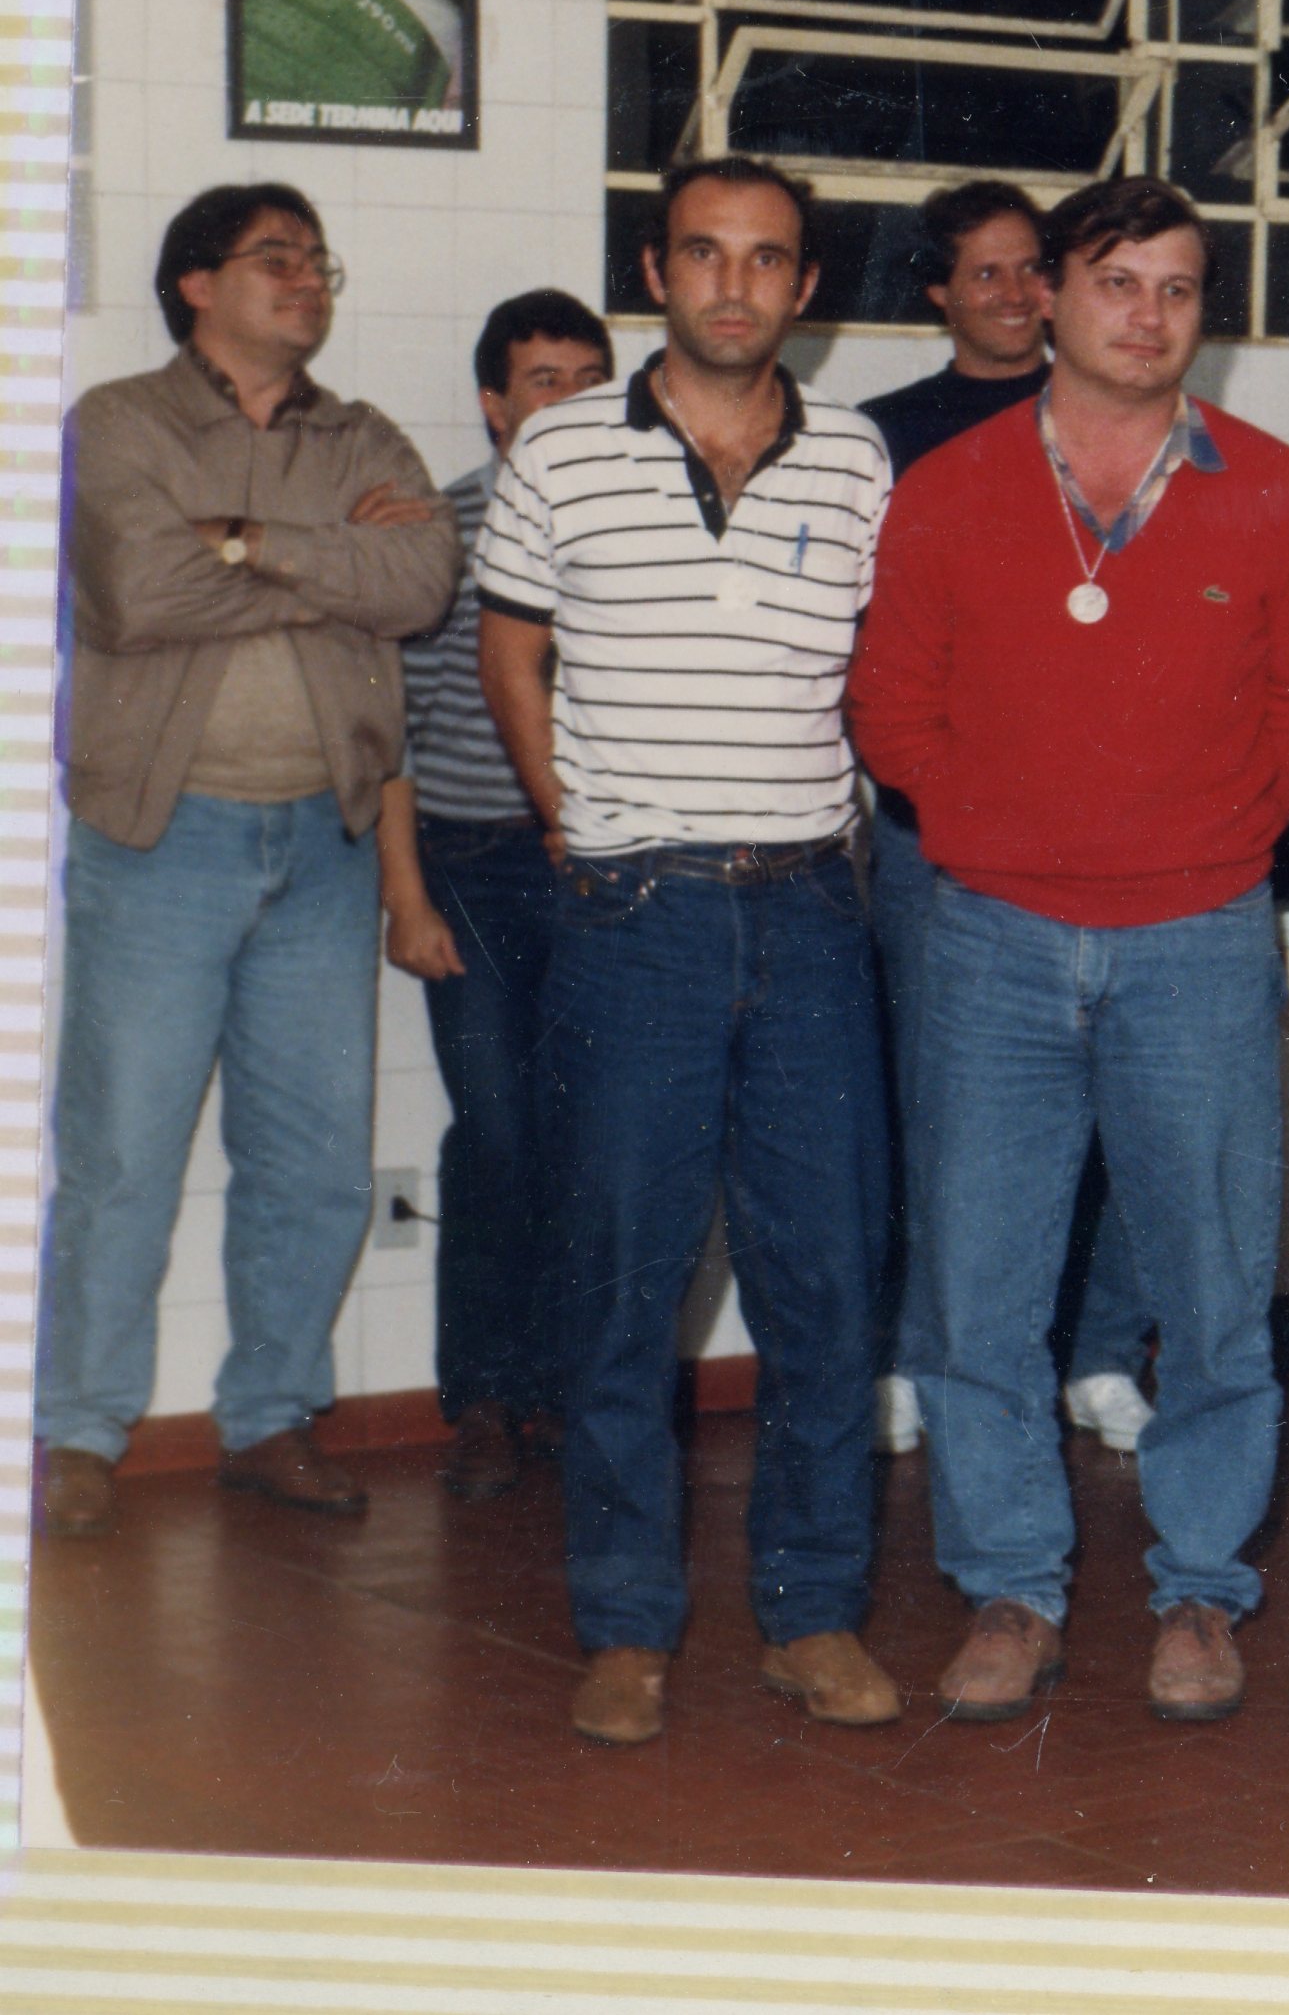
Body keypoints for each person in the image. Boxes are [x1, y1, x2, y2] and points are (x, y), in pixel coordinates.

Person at [848, 174, 1289, 1727]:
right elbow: (890, 705)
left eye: (1178, 288)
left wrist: (1210, 830)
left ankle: (1199, 1587)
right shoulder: (949, 487)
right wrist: (997, 828)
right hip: (989, 936)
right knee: (981, 1286)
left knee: (1213, 1286)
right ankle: (1011, 1584)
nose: (1147, 314)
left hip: (1197, 934)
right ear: (1049, 298)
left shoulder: (1275, 491)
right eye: (1117, 282)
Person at [476, 154, 900, 1748]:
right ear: (656, 271)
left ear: (805, 286)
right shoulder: (562, 448)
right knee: (618, 1282)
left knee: (826, 1279)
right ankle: (625, 1624)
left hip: (808, 915)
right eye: (705, 253)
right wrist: (566, 817)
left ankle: (812, 1612)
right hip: (632, 918)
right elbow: (509, 644)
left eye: (767, 257)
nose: (735, 283)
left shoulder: (856, 458)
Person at [42, 185, 459, 1541]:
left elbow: (421, 583)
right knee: (123, 1153)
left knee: (316, 1159)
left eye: (316, 258)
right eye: (273, 256)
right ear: (194, 284)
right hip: (162, 840)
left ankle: (270, 1417)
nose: (305, 277)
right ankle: (76, 1430)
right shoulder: (120, 422)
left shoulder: (362, 432)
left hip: (325, 845)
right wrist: (336, 557)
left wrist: (243, 538)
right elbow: (137, 592)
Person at [856, 182, 1158, 1461]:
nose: (1016, 295)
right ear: (937, 290)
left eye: (1033, 268)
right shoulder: (885, 438)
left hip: (1105, 839)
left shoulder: (1115, 420)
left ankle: (1098, 1352)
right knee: (945, 1114)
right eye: (984, 273)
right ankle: (922, 1353)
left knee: (1117, 1113)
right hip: (943, 841)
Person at [378, 289, 615, 1501]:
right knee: (498, 1130)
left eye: (589, 377)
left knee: (595, 1133)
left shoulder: (638, 524)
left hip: (604, 875)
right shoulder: (443, 533)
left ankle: (572, 1393)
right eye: (543, 379)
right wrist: (405, 896)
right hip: (470, 867)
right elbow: (393, 734)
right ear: (493, 403)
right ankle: (483, 1393)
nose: (568, 400)